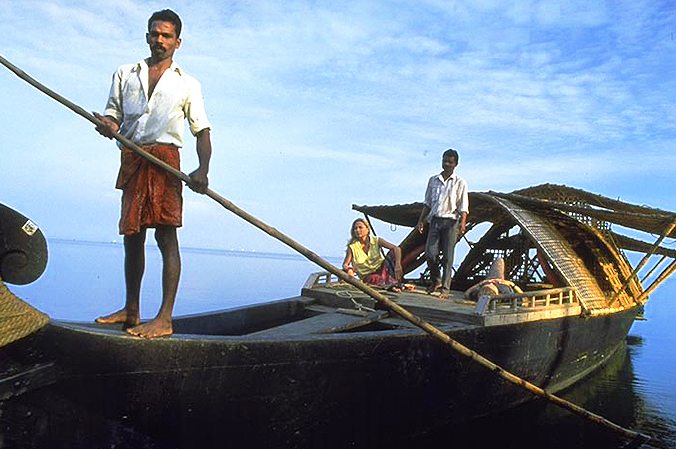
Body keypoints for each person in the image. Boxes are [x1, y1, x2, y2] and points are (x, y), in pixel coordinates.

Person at [94, 9, 213, 338]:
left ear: (178, 42)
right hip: (132, 156)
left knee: (165, 236)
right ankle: (131, 311)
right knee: (132, 237)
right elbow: (114, 117)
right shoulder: (125, 73)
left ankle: (164, 319)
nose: (159, 40)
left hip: (165, 160)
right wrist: (108, 126)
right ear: (147, 37)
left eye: (166, 35)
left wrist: (202, 170)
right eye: (154, 34)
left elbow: (201, 131)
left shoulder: (187, 83)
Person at [416, 149, 469, 297]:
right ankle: (436, 280)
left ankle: (445, 289)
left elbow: (463, 206)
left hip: (451, 221)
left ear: (456, 164)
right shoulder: (433, 180)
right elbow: (427, 203)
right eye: (445, 161)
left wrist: (462, 224)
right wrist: (421, 220)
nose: (446, 164)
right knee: (430, 254)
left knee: (447, 256)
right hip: (434, 220)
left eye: (450, 162)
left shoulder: (460, 182)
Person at [342, 219, 403, 291]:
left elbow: (397, 249)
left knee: (393, 253)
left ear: (367, 229)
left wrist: (398, 265)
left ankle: (393, 283)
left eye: (360, 227)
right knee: (375, 278)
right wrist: (349, 270)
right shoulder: (352, 247)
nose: (357, 230)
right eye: (355, 228)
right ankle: (391, 286)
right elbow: (345, 264)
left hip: (383, 269)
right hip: (369, 276)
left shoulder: (376, 240)